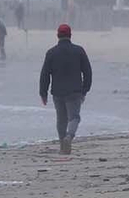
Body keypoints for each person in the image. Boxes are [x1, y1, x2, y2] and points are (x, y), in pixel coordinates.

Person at [39, 23, 92, 155]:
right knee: (74, 118)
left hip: (57, 92)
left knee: (61, 120)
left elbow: (44, 74)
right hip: (74, 92)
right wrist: (85, 90)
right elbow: (87, 72)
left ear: (58, 35)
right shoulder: (79, 51)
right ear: (70, 35)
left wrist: (43, 93)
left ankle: (63, 146)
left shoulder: (51, 53)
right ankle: (69, 137)